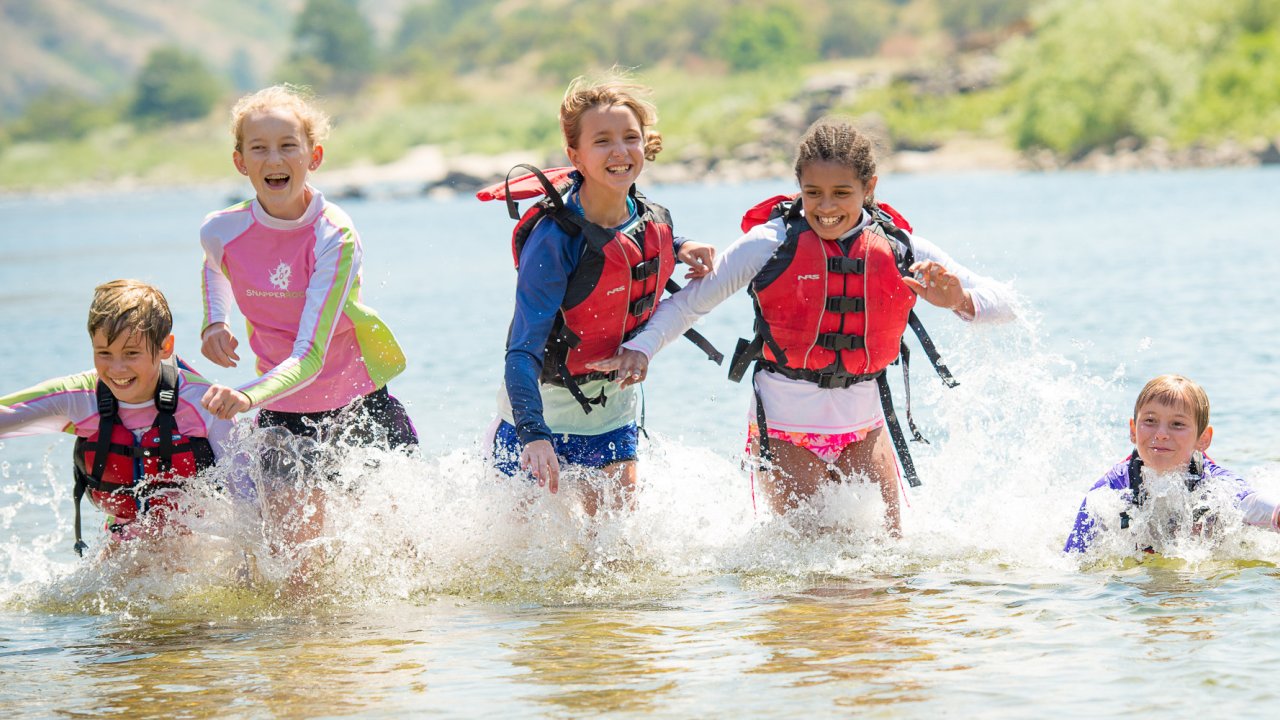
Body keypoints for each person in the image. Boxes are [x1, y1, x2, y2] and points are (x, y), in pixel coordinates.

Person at [593, 116, 1017, 533]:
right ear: (799, 187)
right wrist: (641, 348)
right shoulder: (769, 243)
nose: (826, 207)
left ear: (869, 189)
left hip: (864, 426)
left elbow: (1008, 304)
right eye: (813, 193)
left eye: (841, 193)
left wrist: (959, 300)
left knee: (888, 565)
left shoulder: (902, 247)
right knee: (810, 577)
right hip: (784, 427)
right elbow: (690, 304)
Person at [198, 85, 417, 576]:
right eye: (259, 148)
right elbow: (214, 265)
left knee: (402, 567)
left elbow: (310, 355)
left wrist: (246, 397)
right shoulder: (220, 229)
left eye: (287, 145)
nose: (274, 158)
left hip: (359, 405)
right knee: (297, 575)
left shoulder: (333, 236)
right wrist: (216, 320)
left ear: (313, 155)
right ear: (240, 162)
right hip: (285, 414)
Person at [490, 74, 717, 514]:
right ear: (574, 155)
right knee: (521, 566)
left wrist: (683, 246)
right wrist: (533, 434)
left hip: (611, 412)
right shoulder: (554, 240)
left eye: (631, 137)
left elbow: (636, 242)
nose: (620, 152)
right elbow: (520, 351)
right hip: (541, 411)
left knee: (615, 558)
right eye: (603, 141)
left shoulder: (654, 219)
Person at [0, 280, 233, 555]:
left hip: (202, 546)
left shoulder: (204, 402)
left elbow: (246, 496)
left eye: (131, 353)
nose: (117, 368)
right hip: (123, 548)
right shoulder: (80, 398)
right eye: (104, 354)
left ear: (165, 347)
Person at [1064, 374, 1280, 553]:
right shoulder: (1112, 488)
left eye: (1177, 424)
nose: (1161, 434)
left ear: (1203, 439)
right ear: (1133, 430)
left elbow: (1251, 503)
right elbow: (1074, 554)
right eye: (1150, 421)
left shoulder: (1214, 483)